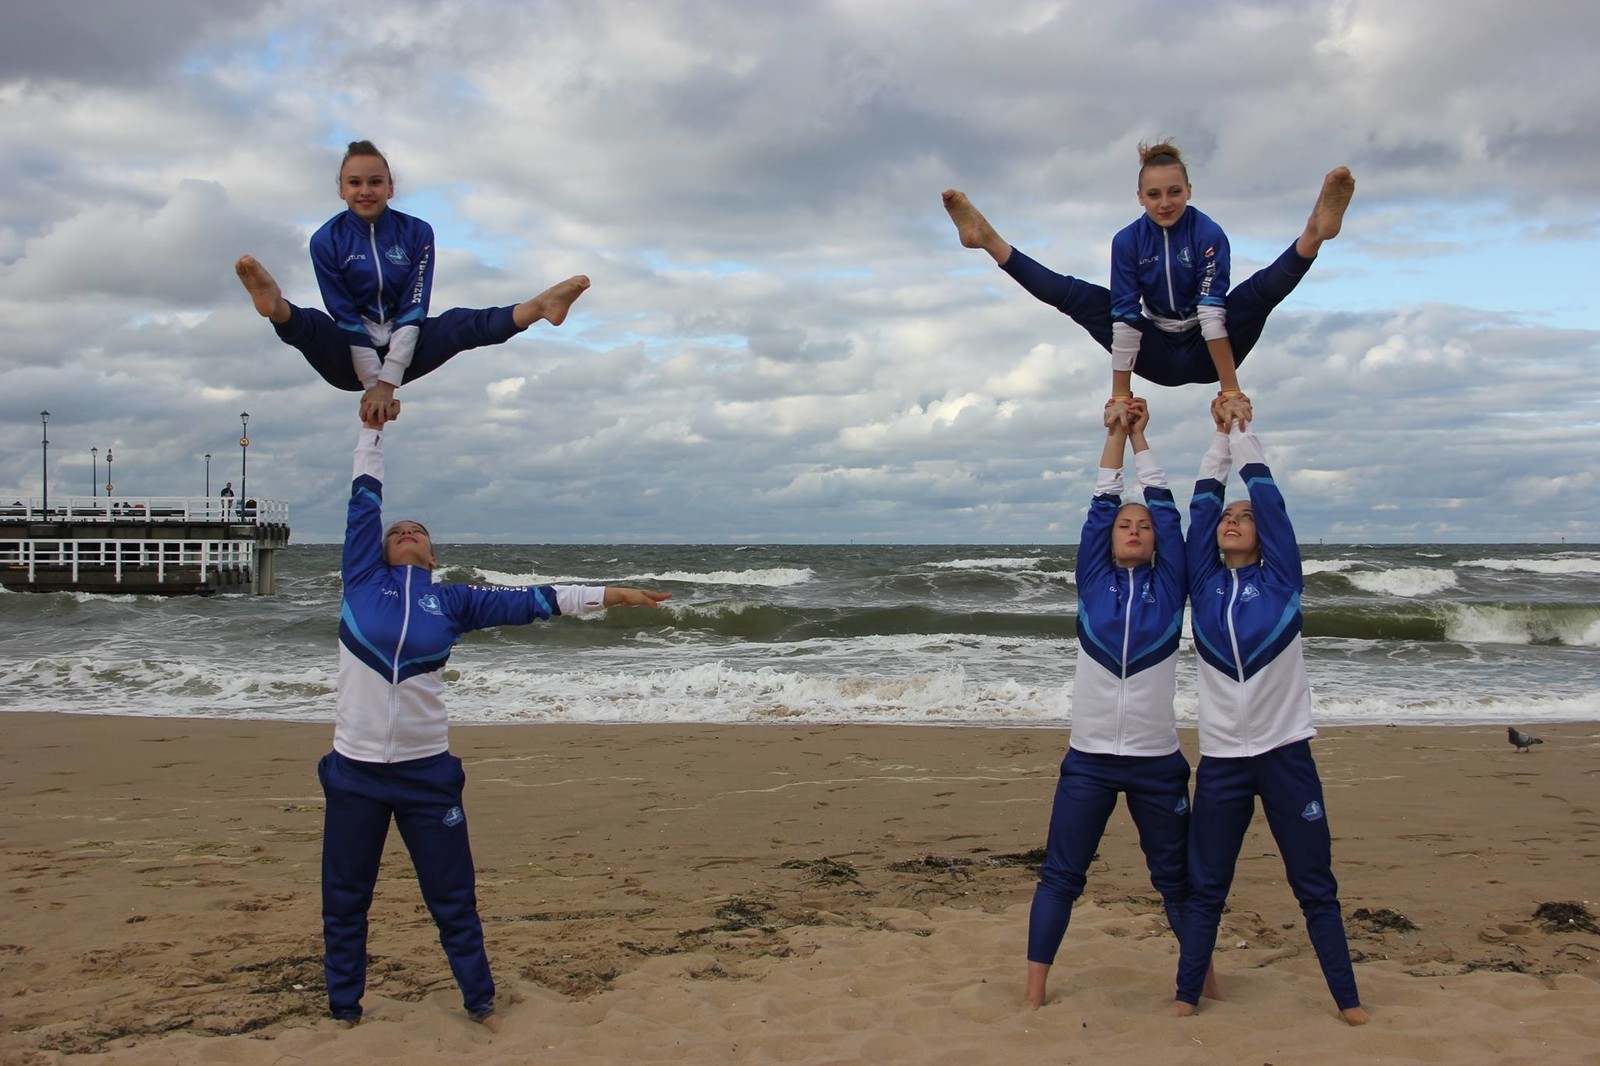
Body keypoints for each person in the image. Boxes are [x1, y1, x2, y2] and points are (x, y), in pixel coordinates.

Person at [321, 409, 670, 1029]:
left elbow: (537, 600)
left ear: (433, 555)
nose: (406, 531)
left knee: (453, 897)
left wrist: (616, 594)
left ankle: (479, 1002)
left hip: (427, 775)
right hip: (356, 772)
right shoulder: (361, 581)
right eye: (397, 530)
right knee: (346, 899)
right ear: (377, 549)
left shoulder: (454, 601)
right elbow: (363, 498)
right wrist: (372, 432)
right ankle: (344, 1008)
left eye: (417, 531)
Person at [1172, 398, 1368, 1025]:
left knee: (1314, 885)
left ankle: (1348, 1000)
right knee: (1207, 886)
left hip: (1286, 755)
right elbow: (1201, 508)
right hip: (1223, 762)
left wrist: (1242, 435)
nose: (1233, 520)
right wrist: (1216, 443)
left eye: (1244, 517)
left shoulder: (1283, 579)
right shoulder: (1202, 586)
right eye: (1228, 517)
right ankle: (1185, 996)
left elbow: (1272, 504)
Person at [941, 142, 1354, 428]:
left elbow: (1212, 313)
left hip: (1212, 352)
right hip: (1155, 353)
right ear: (1139, 197)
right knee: (1083, 298)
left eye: (1174, 192)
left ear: (1189, 191)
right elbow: (1124, 318)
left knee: (1254, 294)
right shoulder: (1128, 241)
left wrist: (1230, 390)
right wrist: (1120, 396)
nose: (1165, 202)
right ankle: (989, 240)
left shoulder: (1208, 233)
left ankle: (1314, 233)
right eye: (1154, 194)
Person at [1026, 397, 1214, 1008]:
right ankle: (1034, 992)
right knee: (1062, 875)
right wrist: (1114, 433)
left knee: (1176, 882)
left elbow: (1169, 513)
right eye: (1124, 526)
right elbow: (1101, 501)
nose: (1134, 530)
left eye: (1144, 527)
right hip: (1089, 761)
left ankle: (1204, 984)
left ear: (1156, 542)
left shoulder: (1171, 586)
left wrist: (1140, 441)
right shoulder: (1093, 580)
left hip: (1158, 763)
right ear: (1108, 540)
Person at [236, 140, 591, 427]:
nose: (365, 190)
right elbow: (344, 314)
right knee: (312, 323)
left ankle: (540, 307)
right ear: (341, 190)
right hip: (346, 355)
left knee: (459, 323)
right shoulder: (326, 240)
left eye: (375, 182)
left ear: (390, 188)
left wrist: (388, 383)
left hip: (405, 346)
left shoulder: (416, 232)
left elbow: (413, 308)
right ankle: (274, 305)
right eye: (355, 183)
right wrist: (373, 385)